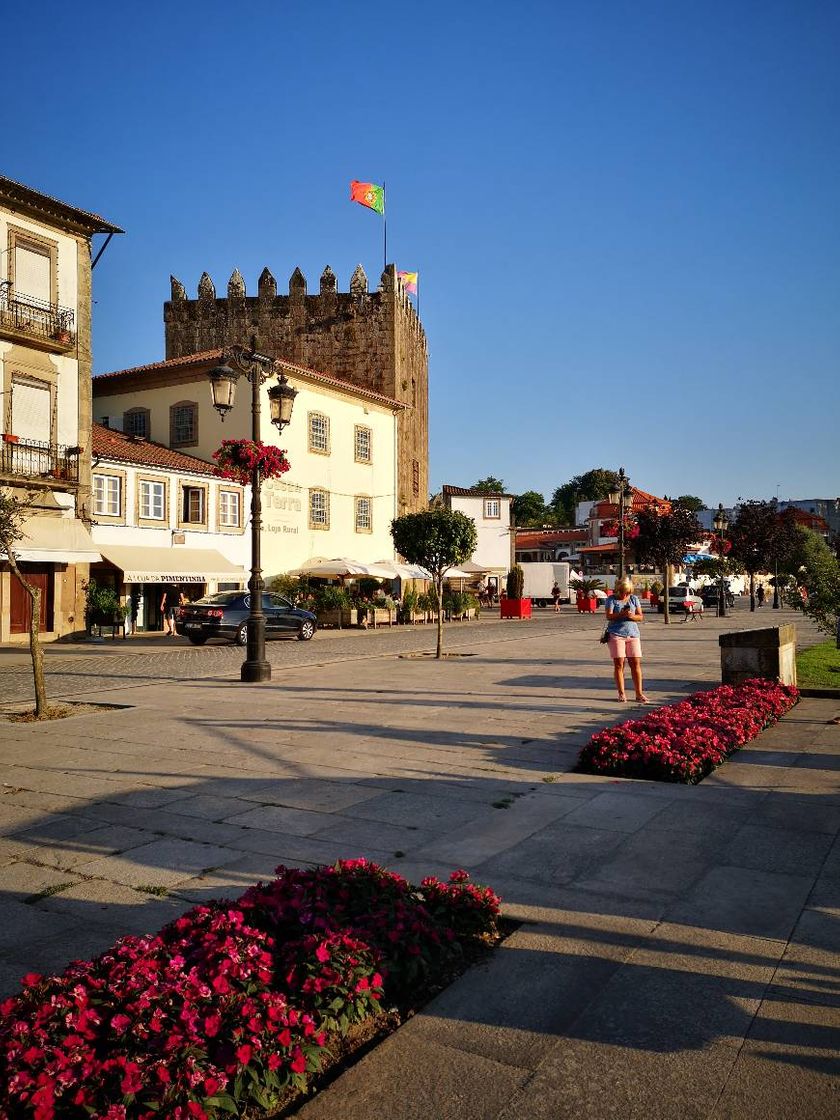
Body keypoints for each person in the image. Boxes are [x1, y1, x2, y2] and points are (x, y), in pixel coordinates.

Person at [604, 576, 648, 703]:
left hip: (633, 634)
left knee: (635, 664)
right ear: (618, 590)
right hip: (616, 634)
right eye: (623, 592)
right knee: (619, 664)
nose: (625, 594)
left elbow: (640, 617)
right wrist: (622, 614)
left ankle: (639, 694)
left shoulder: (634, 599)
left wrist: (631, 616)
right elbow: (609, 616)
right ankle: (621, 693)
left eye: (627, 592)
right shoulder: (611, 599)